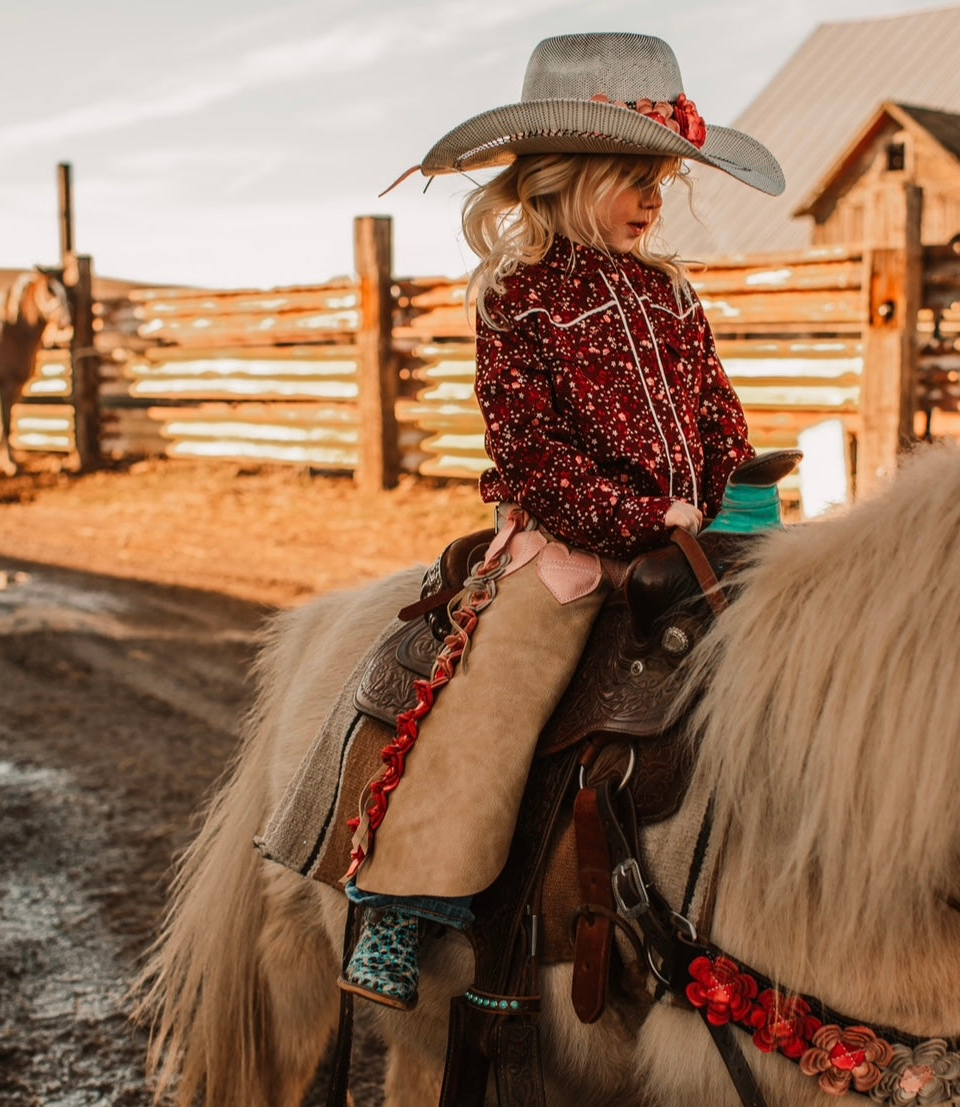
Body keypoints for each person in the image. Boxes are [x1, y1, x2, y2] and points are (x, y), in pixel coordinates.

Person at [336, 31, 786, 1008]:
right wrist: (634, 515)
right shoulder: (521, 298)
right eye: (636, 177)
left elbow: (718, 412)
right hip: (566, 550)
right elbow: (532, 450)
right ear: (570, 175)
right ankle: (405, 899)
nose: (655, 200)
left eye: (663, 180)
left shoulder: (672, 292)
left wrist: (716, 498)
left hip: (686, 534)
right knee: (496, 697)